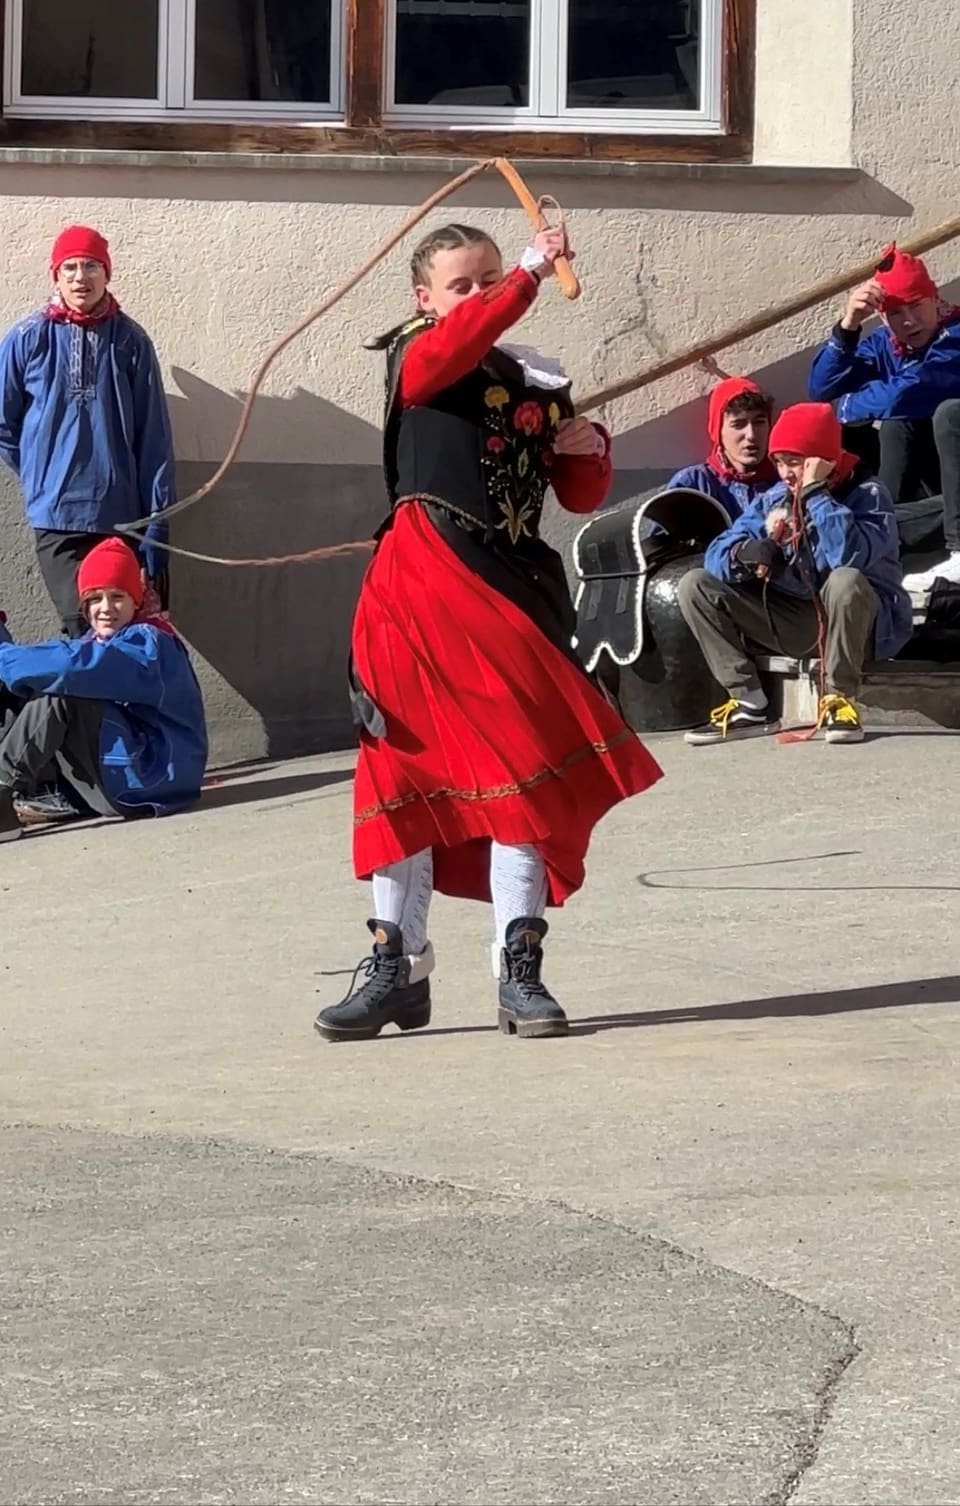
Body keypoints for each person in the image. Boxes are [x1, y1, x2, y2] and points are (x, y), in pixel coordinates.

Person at [314, 221, 662, 1042]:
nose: (478, 295)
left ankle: (519, 972)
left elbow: (575, 494)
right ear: (424, 298)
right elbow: (455, 349)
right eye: (461, 284)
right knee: (400, 784)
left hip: (508, 598)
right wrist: (529, 277)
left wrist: (587, 446)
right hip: (416, 593)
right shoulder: (419, 353)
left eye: (489, 279)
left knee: (522, 782)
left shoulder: (534, 377)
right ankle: (398, 968)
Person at [0, 226, 176, 822]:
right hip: (56, 520)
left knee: (119, 643)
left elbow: (154, 440)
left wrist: (154, 532)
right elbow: (4, 423)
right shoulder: (26, 338)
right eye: (70, 267)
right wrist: (39, 475)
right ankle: (39, 776)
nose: (81, 277)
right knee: (81, 640)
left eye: (91, 266)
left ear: (108, 273)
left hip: (120, 518)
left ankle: (112, 765)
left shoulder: (130, 342)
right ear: (56, 275)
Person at [677, 402, 912, 746]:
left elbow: (847, 556)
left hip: (862, 628)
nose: (786, 473)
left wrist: (816, 494)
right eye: (780, 462)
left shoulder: (868, 495)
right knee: (695, 584)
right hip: (801, 621)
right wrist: (746, 553)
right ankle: (750, 702)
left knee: (845, 579)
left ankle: (840, 698)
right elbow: (717, 553)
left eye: (796, 462)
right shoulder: (777, 496)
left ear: (823, 459)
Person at [0, 538, 207, 844]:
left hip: (150, 779)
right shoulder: (97, 643)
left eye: (117, 597)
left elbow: (72, 667)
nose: (106, 608)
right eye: (95, 599)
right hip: (118, 780)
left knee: (62, 693)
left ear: (136, 600)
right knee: (28, 689)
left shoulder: (148, 644)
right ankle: (35, 792)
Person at [808, 243, 960, 591]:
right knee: (895, 425)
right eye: (895, 313)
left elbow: (914, 388)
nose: (907, 320)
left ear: (936, 300)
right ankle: (881, 539)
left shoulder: (955, 335)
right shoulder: (886, 343)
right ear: (883, 318)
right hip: (938, 485)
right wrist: (848, 326)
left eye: (916, 306)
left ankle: (957, 548)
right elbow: (820, 388)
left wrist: (846, 406)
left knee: (948, 412)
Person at [668, 376, 777, 522]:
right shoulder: (695, 484)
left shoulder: (786, 479)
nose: (751, 435)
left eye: (759, 422)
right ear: (718, 431)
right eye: (738, 425)